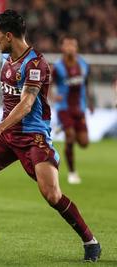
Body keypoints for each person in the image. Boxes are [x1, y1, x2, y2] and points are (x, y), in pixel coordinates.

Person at [0, 10, 101, 262]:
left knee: (52, 195)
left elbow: (27, 104)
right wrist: (1, 130)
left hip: (33, 137)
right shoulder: (6, 58)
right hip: (8, 134)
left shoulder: (35, 64)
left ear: (9, 36)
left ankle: (90, 241)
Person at [52, 35, 94, 184]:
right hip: (64, 108)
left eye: (73, 45)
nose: (70, 48)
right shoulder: (57, 66)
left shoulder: (83, 64)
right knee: (70, 136)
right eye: (67, 45)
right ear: (62, 48)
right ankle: (72, 172)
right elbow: (48, 83)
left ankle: (64, 127)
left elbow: (87, 84)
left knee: (84, 143)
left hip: (79, 107)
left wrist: (90, 102)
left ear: (76, 48)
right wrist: (52, 96)